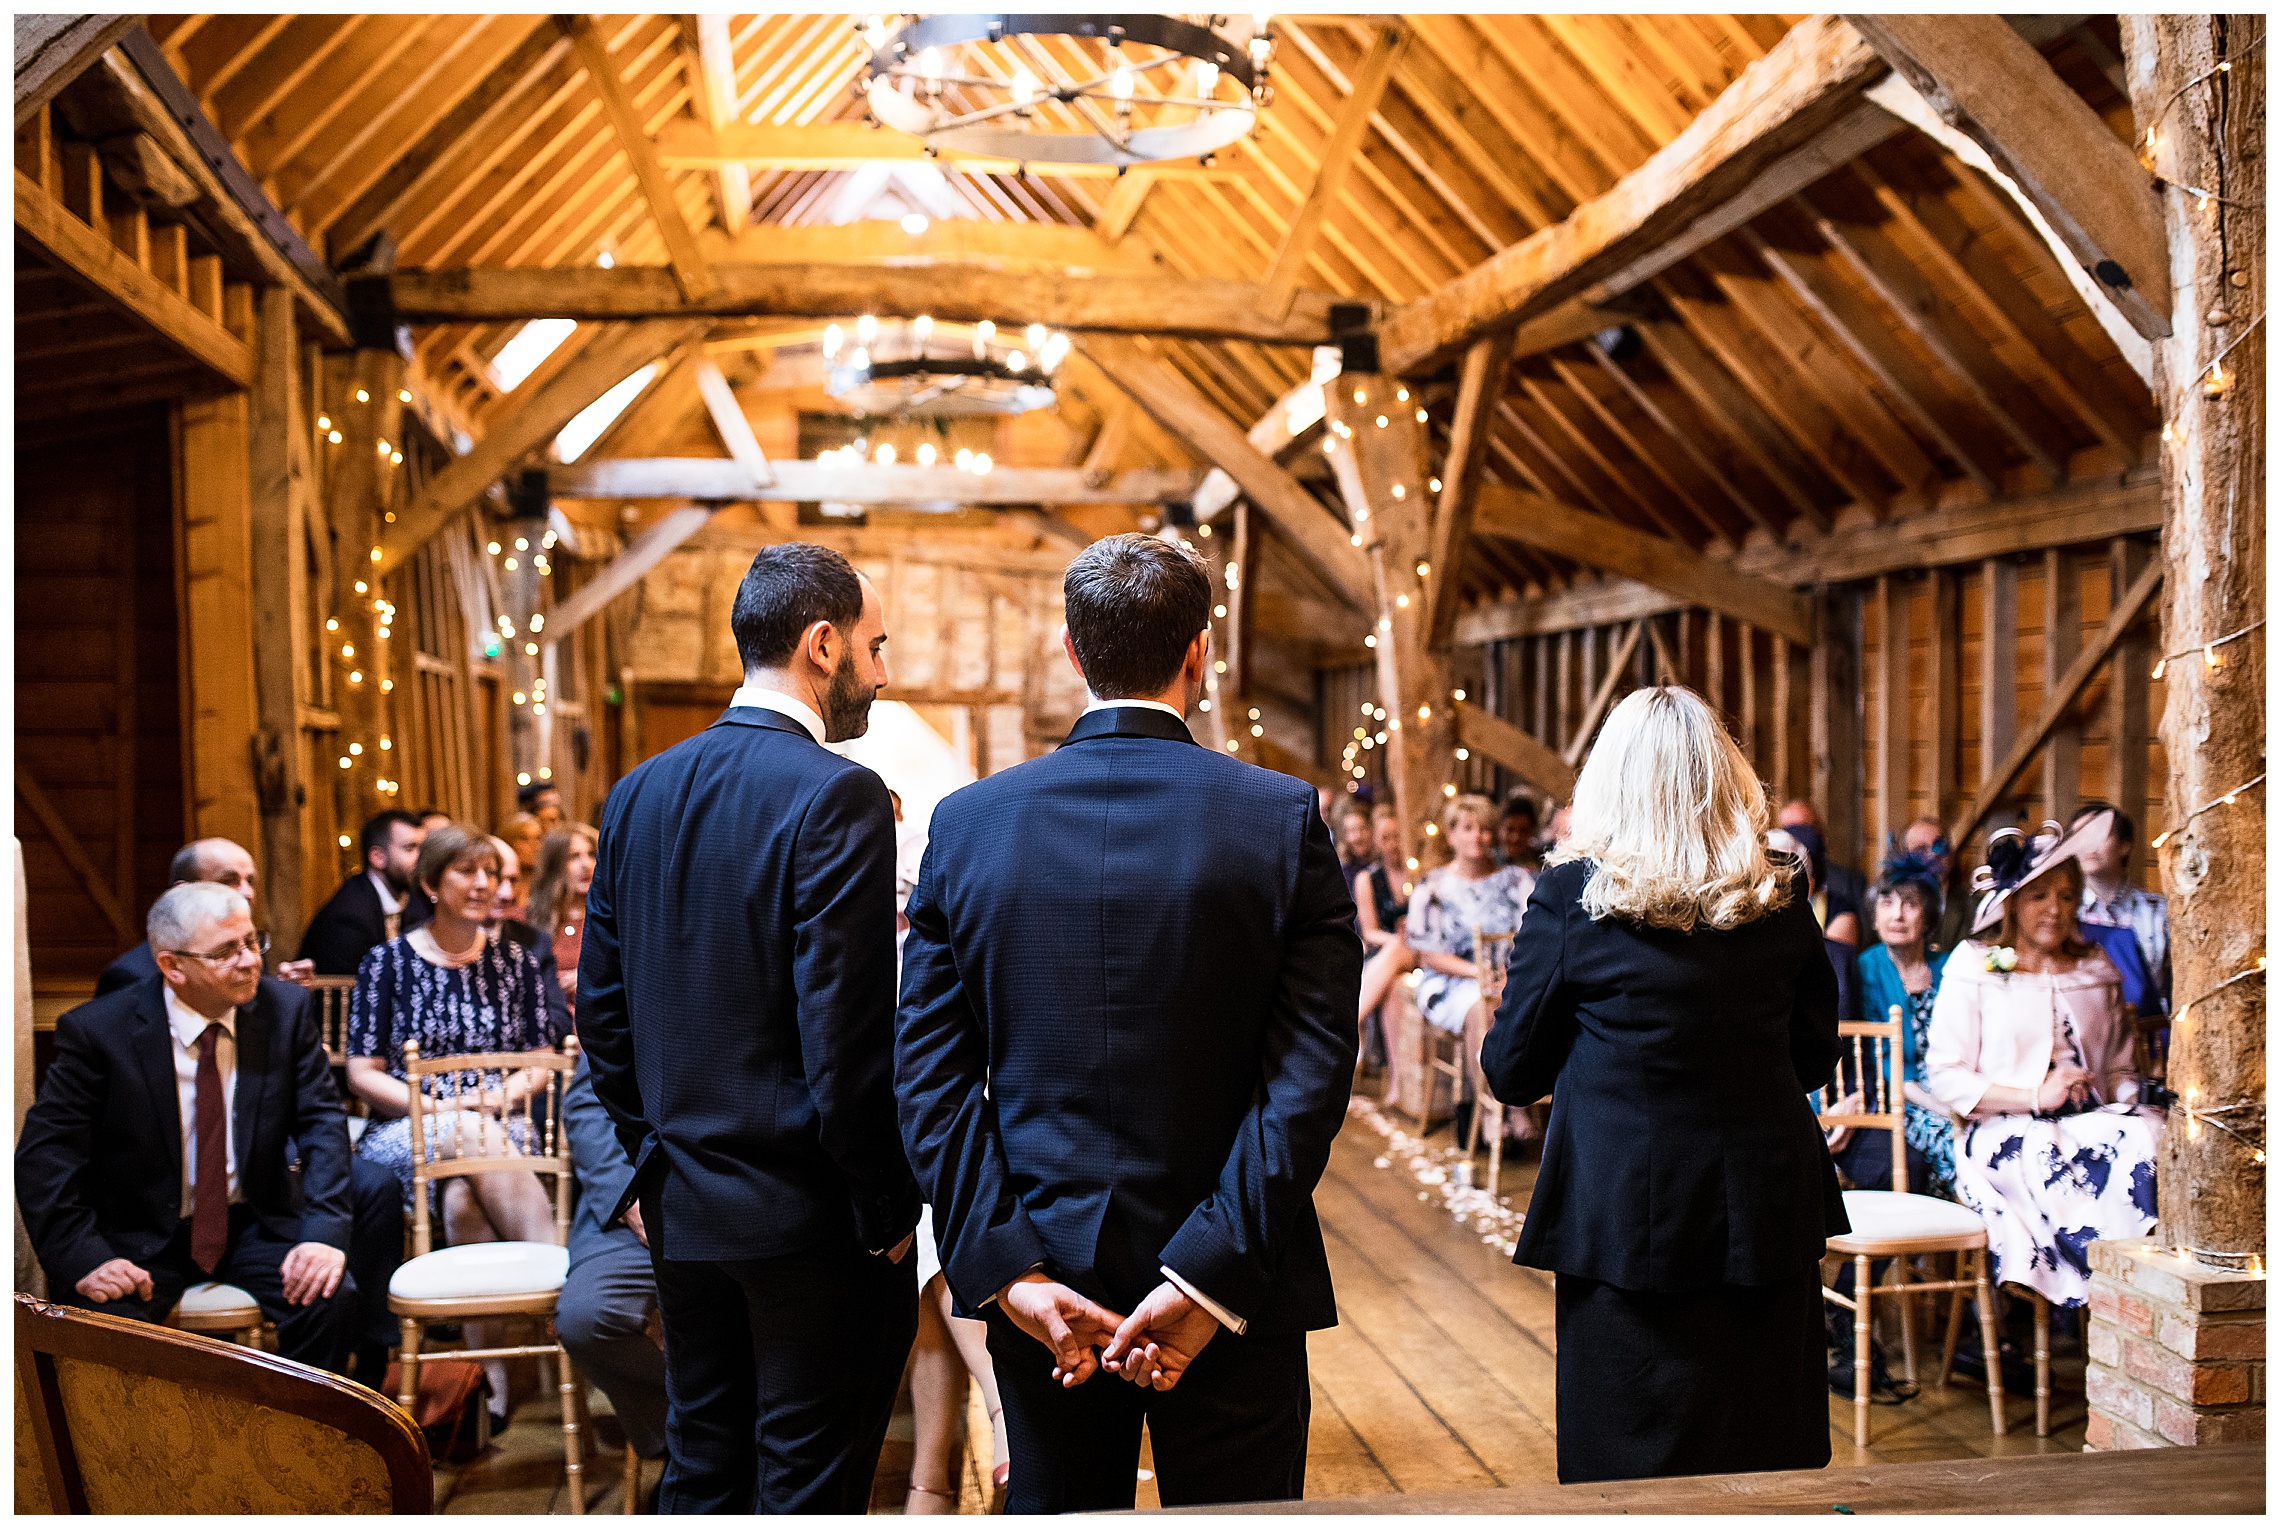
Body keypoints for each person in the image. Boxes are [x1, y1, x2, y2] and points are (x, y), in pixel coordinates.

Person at [898, 533, 1360, 1513]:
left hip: (1047, 1279)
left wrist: (1006, 1266)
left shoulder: (971, 822)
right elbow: (1311, 1070)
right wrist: (1207, 1273)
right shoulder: (1279, 816)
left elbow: (930, 1074)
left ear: (1072, 650)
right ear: (1201, 650)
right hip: (1236, 1272)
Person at [579, 543, 920, 1514]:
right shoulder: (837, 792)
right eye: (875, 643)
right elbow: (844, 1037)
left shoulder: (639, 791)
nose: (883, 672)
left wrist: (649, 1161)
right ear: (822, 644)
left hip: (685, 1213)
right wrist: (888, 1209)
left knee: (702, 1469)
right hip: (809, 1221)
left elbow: (600, 1012)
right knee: (808, 1486)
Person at [1482, 686, 1844, 1485]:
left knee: (1633, 1464)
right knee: (1766, 1454)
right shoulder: (1778, 890)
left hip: (1628, 1220)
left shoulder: (1573, 898)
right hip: (1764, 1212)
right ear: (1725, 777)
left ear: (1609, 784)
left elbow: (1512, 1071)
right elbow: (1814, 1055)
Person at [17, 883, 360, 1371]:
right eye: (225, 951)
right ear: (171, 966)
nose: (249, 961)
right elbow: (44, 1157)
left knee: (330, 1296)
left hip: (252, 1221)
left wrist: (323, 1233)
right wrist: (85, 1257)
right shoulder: (100, 1032)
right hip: (140, 1233)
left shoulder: (283, 1011)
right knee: (103, 1324)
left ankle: (295, 1441)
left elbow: (323, 1122)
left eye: (251, 941)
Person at [345, 823, 558, 1424]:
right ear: (431, 884)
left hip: (499, 1125)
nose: (485, 884)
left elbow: (542, 1058)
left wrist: (498, 1098)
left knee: (464, 1200)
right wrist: (440, 1109)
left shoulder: (513, 961)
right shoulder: (386, 963)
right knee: (463, 1135)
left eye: (491, 872)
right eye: (468, 871)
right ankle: (559, 1277)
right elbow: (363, 1073)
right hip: (409, 1129)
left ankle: (489, 1391)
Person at [1926, 813, 2158, 1310]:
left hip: (2093, 1120)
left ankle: (2135, 1287)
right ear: (2012, 902)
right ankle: (2109, 1288)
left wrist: (2129, 1096)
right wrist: (2035, 1096)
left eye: (2067, 896)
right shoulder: (1975, 964)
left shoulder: (2096, 966)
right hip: (2003, 1128)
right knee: (2051, 1152)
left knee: (2150, 1134)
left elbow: (2119, 1070)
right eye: (2039, 896)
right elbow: (1946, 1076)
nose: (2055, 909)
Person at [557, 1053, 667, 1485]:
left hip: (743, 1203)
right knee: (588, 1317)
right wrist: (629, 1202)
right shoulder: (635, 986)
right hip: (635, 1208)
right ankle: (692, 1438)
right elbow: (588, 1107)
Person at [1395, 794, 1532, 1137]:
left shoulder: (1517, 881)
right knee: (1479, 1007)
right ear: (1452, 835)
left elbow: (1533, 938)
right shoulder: (1434, 886)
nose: (1477, 837)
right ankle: (1496, 1109)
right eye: (1468, 828)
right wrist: (1477, 973)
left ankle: (1512, 1103)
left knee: (1512, 1002)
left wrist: (1508, 977)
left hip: (1509, 977)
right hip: (1451, 979)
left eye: (1485, 829)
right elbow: (1428, 953)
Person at [1840, 850, 1958, 1198]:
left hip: (1955, 1090)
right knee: (1958, 1147)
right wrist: (1948, 1111)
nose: (1897, 915)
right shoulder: (1865, 969)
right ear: (1874, 918)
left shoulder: (1950, 967)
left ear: (1929, 917)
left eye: (1910, 904)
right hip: (1899, 1100)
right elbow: (1888, 1068)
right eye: (1887, 903)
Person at [97, 838, 316, 993]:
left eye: (250, 881)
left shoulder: (249, 952)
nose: (247, 893)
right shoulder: (130, 975)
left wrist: (282, 995)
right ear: (183, 890)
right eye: (229, 881)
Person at [300, 810, 431, 975]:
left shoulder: (413, 900)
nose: (422, 858)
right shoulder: (349, 918)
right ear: (378, 857)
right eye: (410, 848)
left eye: (423, 848)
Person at [2071, 801, 2171, 1012]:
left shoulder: (2159, 911)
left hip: (2147, 1033)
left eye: (2099, 836)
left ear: (2125, 845)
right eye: (2080, 837)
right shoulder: (2065, 913)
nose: (2089, 845)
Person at [485, 835, 572, 1044]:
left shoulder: (533, 941)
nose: (507, 893)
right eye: (497, 878)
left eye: (513, 880)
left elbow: (560, 1019)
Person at [526, 824, 597, 1005]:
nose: (586, 864)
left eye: (592, 855)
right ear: (554, 865)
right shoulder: (528, 918)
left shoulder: (611, 918)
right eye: (573, 857)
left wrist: (589, 979)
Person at [1779, 798, 1869, 925]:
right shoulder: (1768, 884)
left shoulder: (1849, 883)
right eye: (1789, 830)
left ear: (1819, 831)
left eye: (1805, 829)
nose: (1798, 837)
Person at [499, 813, 545, 914]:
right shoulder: (498, 884)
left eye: (538, 838)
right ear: (508, 842)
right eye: (524, 838)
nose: (535, 846)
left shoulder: (547, 884)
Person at [1498, 793, 1543, 872]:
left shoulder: (1542, 863)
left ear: (1532, 831)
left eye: (1523, 831)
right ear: (1499, 829)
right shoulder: (1488, 861)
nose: (1516, 838)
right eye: (1510, 830)